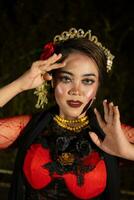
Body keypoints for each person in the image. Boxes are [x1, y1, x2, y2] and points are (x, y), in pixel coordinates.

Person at [0, 28, 133, 200]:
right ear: (53, 81)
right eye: (66, 78)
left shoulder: (112, 133)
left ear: (98, 86)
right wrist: (19, 85)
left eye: (87, 81)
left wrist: (128, 151)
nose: (76, 91)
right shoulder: (28, 127)